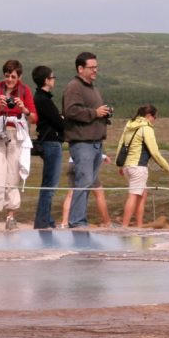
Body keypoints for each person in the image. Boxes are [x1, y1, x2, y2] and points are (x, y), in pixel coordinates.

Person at [0, 60, 36, 231]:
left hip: (15, 135)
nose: (9, 79)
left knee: (13, 174)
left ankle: (11, 216)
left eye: (13, 76)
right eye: (7, 76)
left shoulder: (25, 91)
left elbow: (34, 117)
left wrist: (24, 109)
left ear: (19, 77)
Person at [62, 52, 111, 228]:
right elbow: (71, 111)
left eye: (96, 67)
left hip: (95, 143)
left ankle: (79, 219)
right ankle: (77, 222)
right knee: (83, 182)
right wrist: (95, 113)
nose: (95, 70)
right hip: (82, 143)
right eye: (91, 67)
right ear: (80, 68)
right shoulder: (74, 87)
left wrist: (102, 114)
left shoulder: (92, 88)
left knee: (87, 182)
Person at [115, 104, 169, 228]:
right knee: (134, 195)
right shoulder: (146, 128)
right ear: (149, 116)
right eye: (155, 117)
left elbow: (121, 145)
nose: (155, 120)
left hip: (127, 167)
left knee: (142, 193)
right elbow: (154, 151)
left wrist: (120, 165)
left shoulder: (129, 126)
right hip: (138, 167)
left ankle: (139, 226)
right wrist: (166, 166)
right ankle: (124, 227)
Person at [31, 65, 64, 229]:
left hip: (48, 142)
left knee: (49, 183)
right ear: (46, 80)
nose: (54, 80)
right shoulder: (43, 100)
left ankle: (45, 219)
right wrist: (62, 119)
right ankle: (43, 220)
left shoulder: (40, 98)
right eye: (52, 77)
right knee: (50, 185)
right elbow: (59, 123)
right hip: (51, 143)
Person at [59, 157, 112, 229]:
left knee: (71, 194)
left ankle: (64, 223)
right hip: (86, 164)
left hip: (72, 162)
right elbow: (90, 149)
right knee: (99, 193)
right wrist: (104, 156)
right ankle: (107, 223)